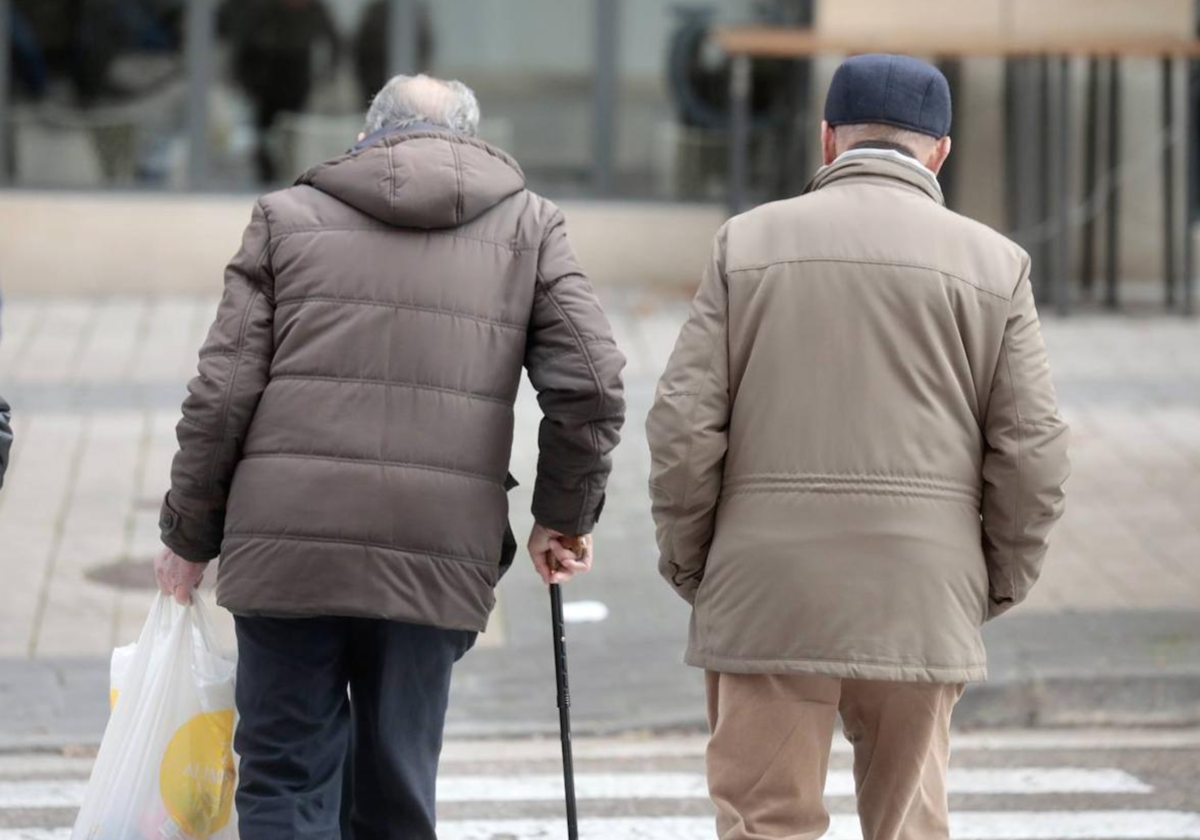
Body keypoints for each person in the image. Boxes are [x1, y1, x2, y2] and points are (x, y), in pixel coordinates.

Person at [153, 74, 626, 838]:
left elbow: (223, 392)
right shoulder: (531, 228)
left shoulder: (285, 218)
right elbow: (595, 383)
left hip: (288, 545)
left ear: (369, 132)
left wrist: (187, 537)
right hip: (435, 548)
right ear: (470, 141)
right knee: (395, 786)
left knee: (283, 777)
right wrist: (560, 518)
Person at [647, 54, 1069, 840]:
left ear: (828, 140)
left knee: (765, 822)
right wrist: (993, 582)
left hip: (769, 584)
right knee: (909, 825)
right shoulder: (996, 264)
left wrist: (694, 563)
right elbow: (1033, 450)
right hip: (922, 586)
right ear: (940, 149)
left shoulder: (747, 243)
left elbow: (681, 427)